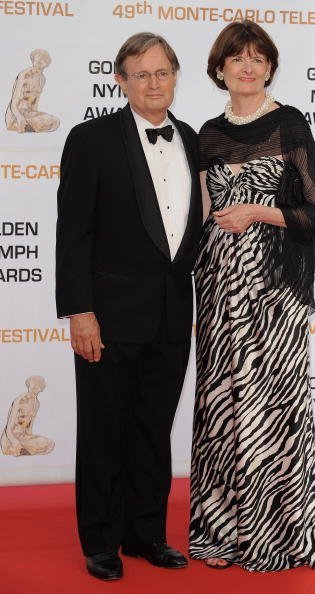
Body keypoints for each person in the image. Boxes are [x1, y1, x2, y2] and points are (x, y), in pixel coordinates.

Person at [189, 20, 315, 572]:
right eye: (236, 58)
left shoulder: (289, 125)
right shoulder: (205, 133)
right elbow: (200, 215)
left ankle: (274, 539)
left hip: (274, 295)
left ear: (270, 67)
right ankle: (223, 533)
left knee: (270, 411)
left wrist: (258, 211)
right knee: (224, 406)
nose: (247, 67)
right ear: (220, 69)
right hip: (219, 292)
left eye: (257, 58)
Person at [55, 32, 201, 581]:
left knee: (152, 430)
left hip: (169, 314)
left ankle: (145, 533)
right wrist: (80, 311)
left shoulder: (189, 137)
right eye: (140, 74)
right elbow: (73, 235)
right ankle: (99, 541)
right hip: (108, 317)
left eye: (162, 72)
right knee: (102, 431)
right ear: (119, 79)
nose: (153, 83)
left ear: (175, 76)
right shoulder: (89, 140)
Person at [5, 49, 59, 133]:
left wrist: (37, 117)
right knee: (45, 121)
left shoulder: (42, 79)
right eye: (36, 61)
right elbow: (14, 102)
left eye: (41, 62)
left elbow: (35, 103)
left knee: (55, 121)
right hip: (16, 115)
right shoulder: (24, 75)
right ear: (33, 61)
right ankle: (20, 125)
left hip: (29, 114)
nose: (38, 64)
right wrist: (19, 117)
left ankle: (27, 126)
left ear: (46, 64)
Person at [1, 375, 54, 456]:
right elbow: (8, 429)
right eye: (32, 387)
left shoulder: (37, 404)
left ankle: (23, 450)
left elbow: (29, 429)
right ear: (29, 386)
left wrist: (32, 441)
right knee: (33, 444)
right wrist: (15, 442)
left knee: (50, 443)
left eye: (37, 388)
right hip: (10, 439)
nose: (34, 390)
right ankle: (16, 449)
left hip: (23, 437)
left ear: (41, 389)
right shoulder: (19, 401)